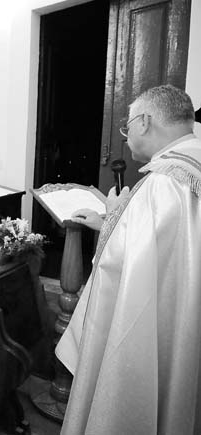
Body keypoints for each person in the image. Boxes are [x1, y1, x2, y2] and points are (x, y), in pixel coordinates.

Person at [55, 85, 201, 434]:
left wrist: (114, 219)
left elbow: (127, 269)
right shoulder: (193, 164)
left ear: (145, 121)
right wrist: (115, 220)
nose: (126, 137)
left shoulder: (163, 182)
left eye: (128, 127)